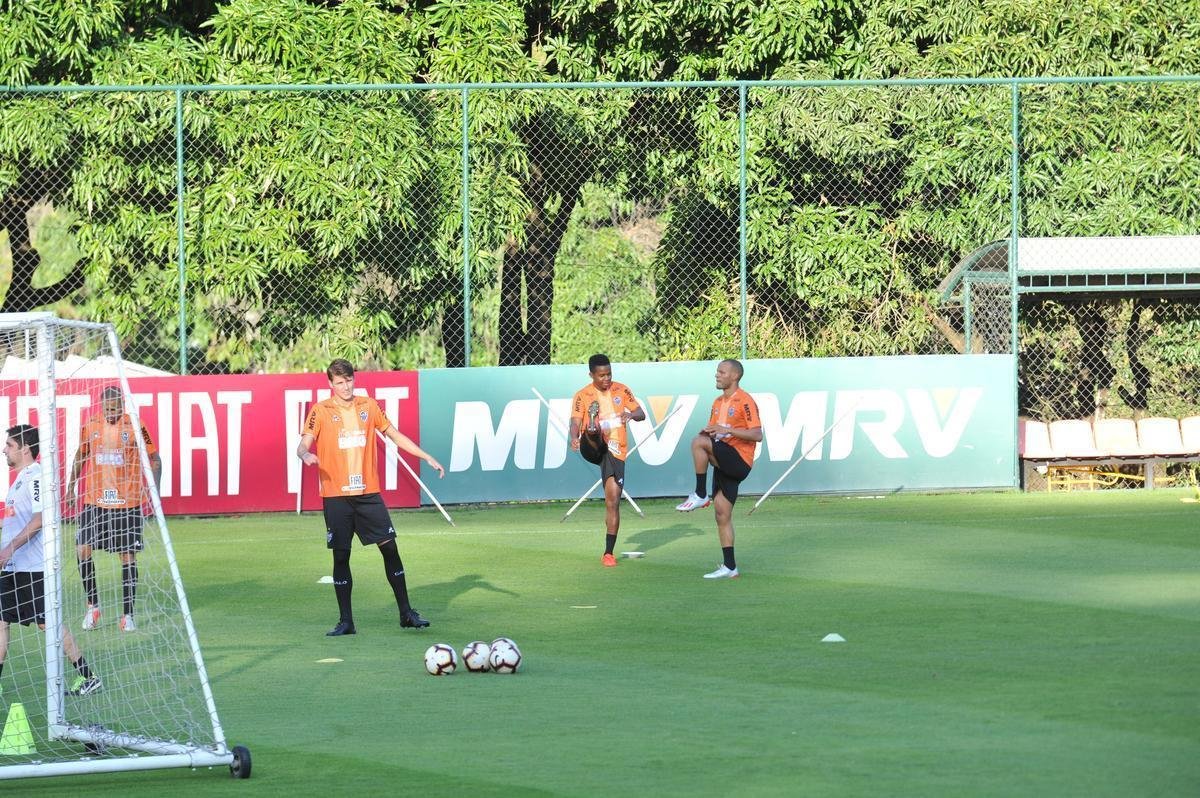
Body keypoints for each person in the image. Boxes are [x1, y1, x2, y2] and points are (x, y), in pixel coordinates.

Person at [297, 359, 445, 636]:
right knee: (341, 556)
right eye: (339, 382)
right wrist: (305, 454)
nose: (345, 387)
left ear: (354, 379)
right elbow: (304, 442)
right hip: (336, 496)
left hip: (368, 495)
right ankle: (346, 622)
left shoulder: (369, 406)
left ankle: (406, 613)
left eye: (348, 380)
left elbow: (395, 435)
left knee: (390, 548)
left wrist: (426, 457)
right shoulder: (321, 410)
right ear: (330, 384)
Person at [1, 425, 102, 696]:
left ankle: (88, 676)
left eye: (9, 445)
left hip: (31, 568)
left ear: (25, 448)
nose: (4, 450)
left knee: (49, 624)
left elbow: (40, 519)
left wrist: (9, 549)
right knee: (2, 621)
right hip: (14, 567)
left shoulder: (35, 477)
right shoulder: (21, 479)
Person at [66, 386, 161, 632]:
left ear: (122, 406)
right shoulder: (91, 425)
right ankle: (93, 606)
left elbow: (155, 459)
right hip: (94, 501)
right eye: (107, 409)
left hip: (126, 503)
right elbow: (80, 455)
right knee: (82, 548)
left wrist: (156, 492)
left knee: (127, 556)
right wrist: (70, 486)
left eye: (115, 409)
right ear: (101, 406)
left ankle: (128, 615)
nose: (111, 413)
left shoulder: (137, 427)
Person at [675, 359, 762, 579]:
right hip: (723, 460)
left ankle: (700, 494)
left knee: (698, 443)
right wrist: (708, 432)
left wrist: (726, 431)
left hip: (739, 459)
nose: (717, 375)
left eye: (722, 372)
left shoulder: (745, 401)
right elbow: (715, 432)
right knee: (722, 513)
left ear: (735, 376)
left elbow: (757, 434)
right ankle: (730, 567)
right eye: (717, 372)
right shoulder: (717, 402)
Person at [569, 354, 645, 567]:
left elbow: (641, 413)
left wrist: (630, 416)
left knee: (613, 500)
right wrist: (574, 437)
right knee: (592, 430)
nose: (606, 378)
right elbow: (574, 421)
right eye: (601, 375)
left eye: (609, 374)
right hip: (591, 447)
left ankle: (608, 553)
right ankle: (593, 425)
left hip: (615, 450)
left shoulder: (622, 390)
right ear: (591, 375)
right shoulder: (582, 395)